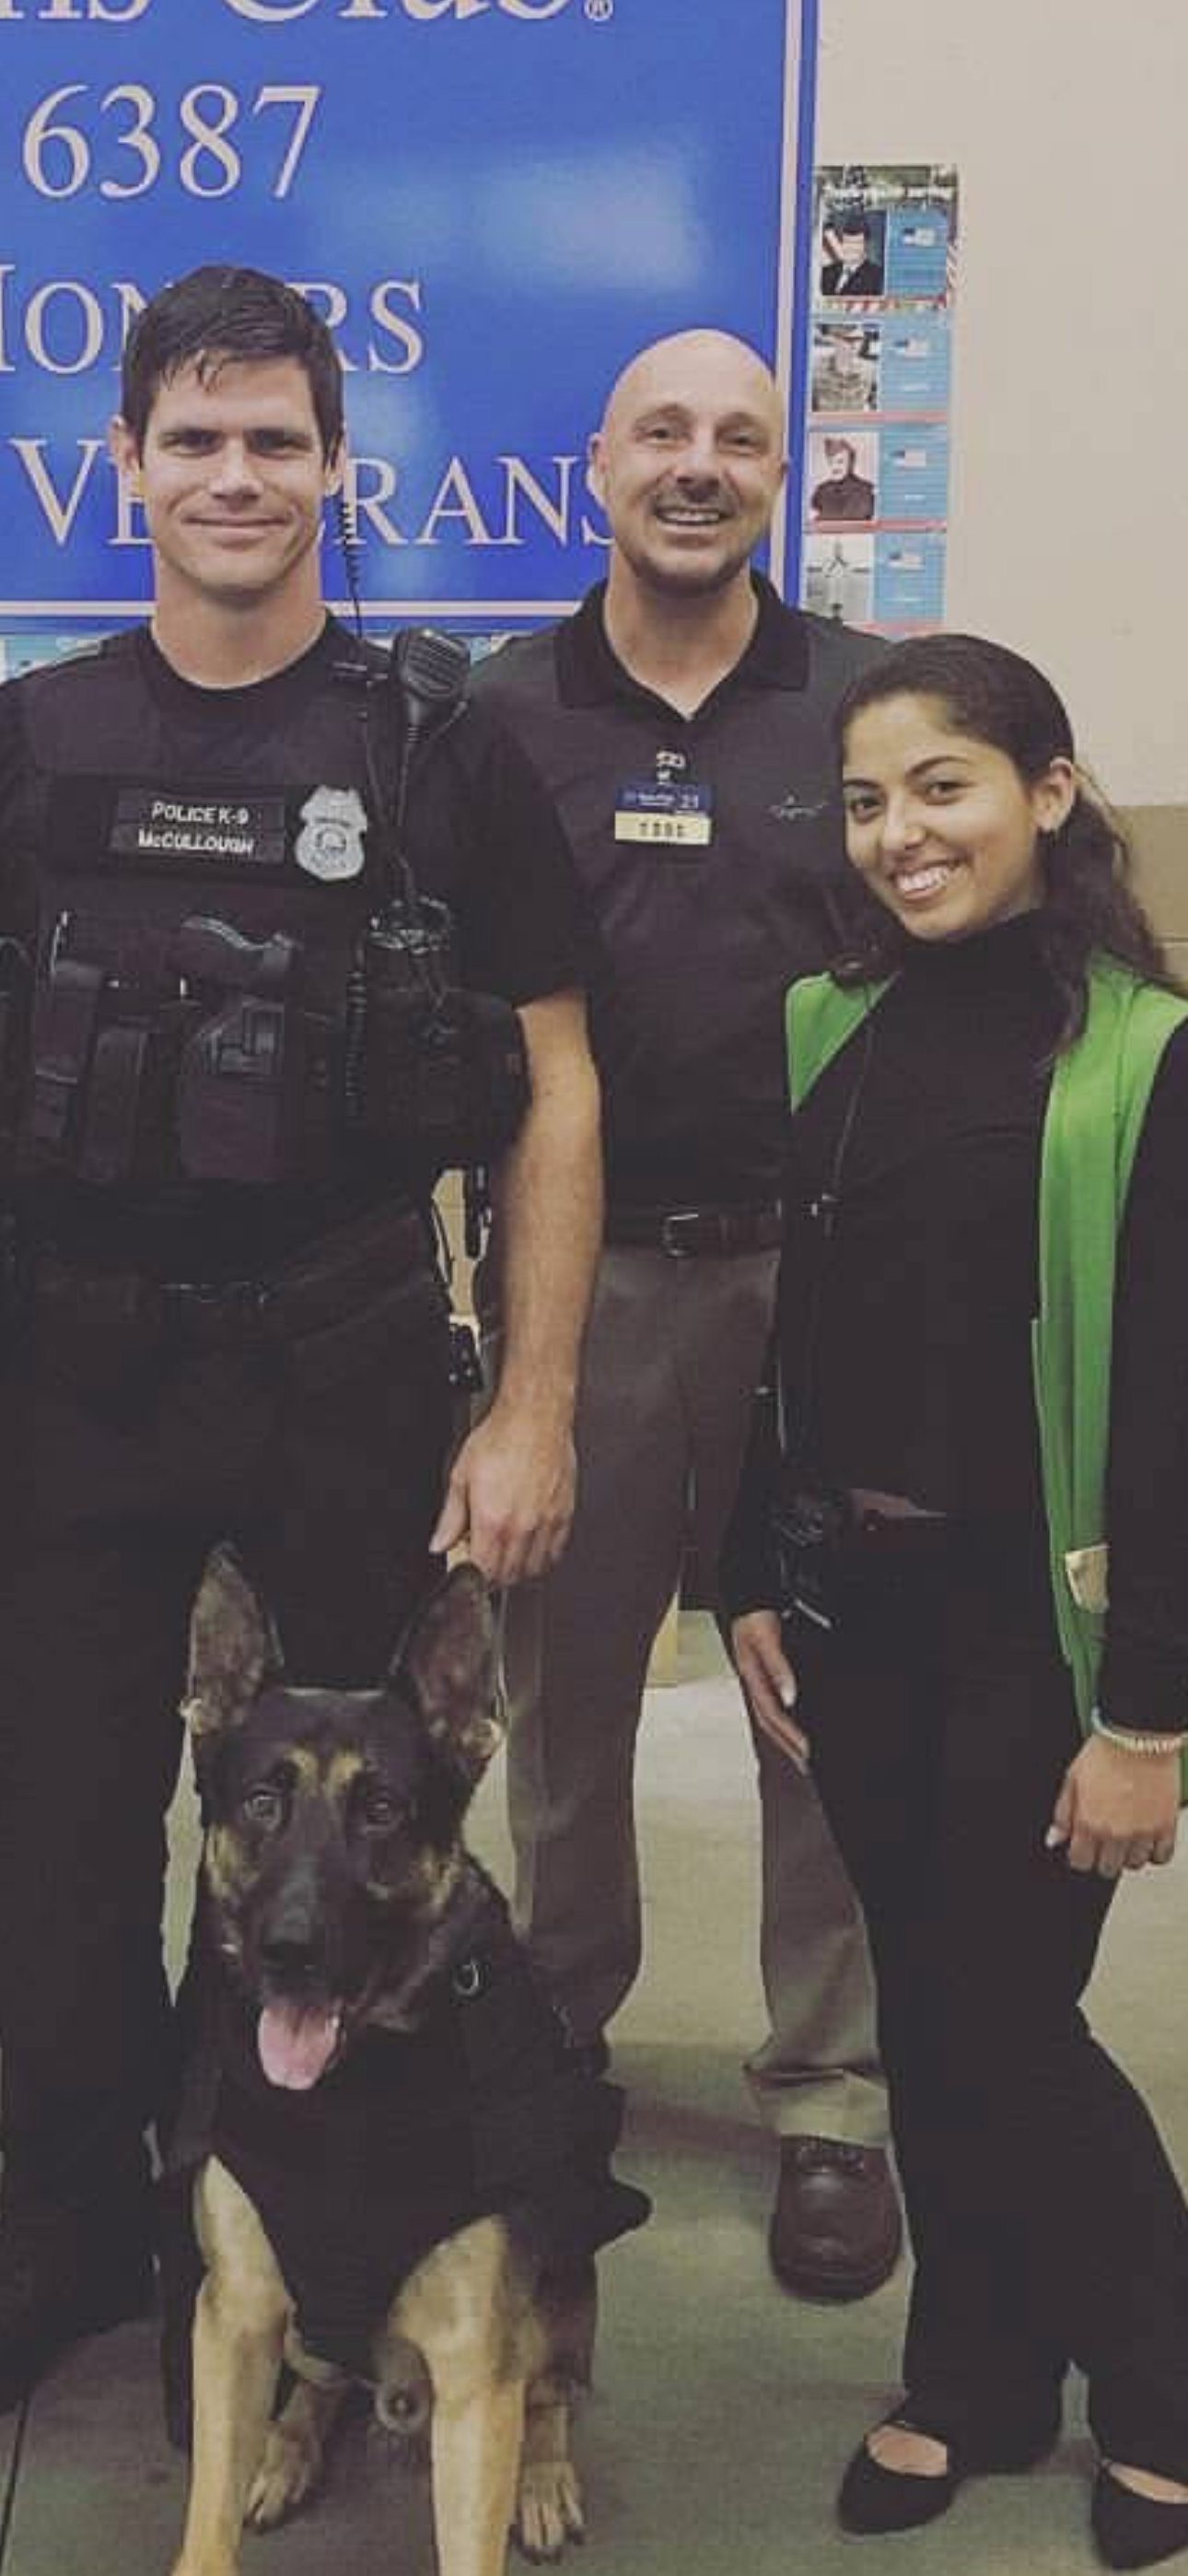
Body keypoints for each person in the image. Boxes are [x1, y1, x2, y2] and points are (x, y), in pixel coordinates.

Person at [0, 263, 601, 2412]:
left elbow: (554, 1083)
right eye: (193, 438)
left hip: (347, 1384)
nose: (233, 475)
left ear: (340, 471)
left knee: (331, 1860)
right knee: (56, 1849)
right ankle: (79, 2238)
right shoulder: (33, 738)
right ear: (122, 470)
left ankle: (289, 2270)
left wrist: (532, 1402)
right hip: (69, 1389)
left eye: (275, 440)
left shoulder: (444, 749)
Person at [728, 632, 1188, 2568]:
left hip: (1035, 1641)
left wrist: (1148, 1718)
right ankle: (976, 2378)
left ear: (1051, 793)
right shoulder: (838, 1019)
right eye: (867, 800)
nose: (902, 834)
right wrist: (750, 1563)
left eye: (945, 787)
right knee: (930, 2020)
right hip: (857, 1618)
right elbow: (799, 1323)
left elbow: (1170, 1406)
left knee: (1010, 2027)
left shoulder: (1139, 1065)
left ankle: (1160, 2388)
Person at [471, 327, 903, 2301]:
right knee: (561, 1713)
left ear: (776, 476)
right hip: (577, 1288)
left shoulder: (865, 709)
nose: (702, 465)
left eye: (741, 436)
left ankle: (830, 2097)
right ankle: (557, 2062)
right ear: (597, 468)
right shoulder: (492, 718)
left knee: (821, 1703)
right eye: (665, 431)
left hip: (825, 1293)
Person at [810, 326, 877, 416]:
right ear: (835, 340)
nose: (855, 345)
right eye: (849, 340)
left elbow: (875, 404)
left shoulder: (870, 369)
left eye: (859, 339)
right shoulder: (816, 368)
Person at [809, 436, 876, 524]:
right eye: (831, 462)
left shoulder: (866, 490)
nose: (835, 467)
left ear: (851, 463)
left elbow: (856, 519)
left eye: (840, 462)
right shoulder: (821, 491)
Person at [821, 218, 884, 299]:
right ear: (842, 242)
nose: (851, 248)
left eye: (857, 243)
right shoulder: (826, 272)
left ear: (866, 245)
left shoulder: (877, 277)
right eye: (848, 242)